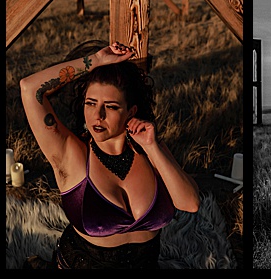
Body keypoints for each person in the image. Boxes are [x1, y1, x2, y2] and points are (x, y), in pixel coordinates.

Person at [19, 40, 200, 269]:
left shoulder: (150, 148)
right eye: (91, 103)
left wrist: (153, 147)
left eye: (111, 106)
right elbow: (30, 88)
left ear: (131, 111)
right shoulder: (70, 153)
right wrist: (97, 60)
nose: (97, 115)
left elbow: (191, 203)